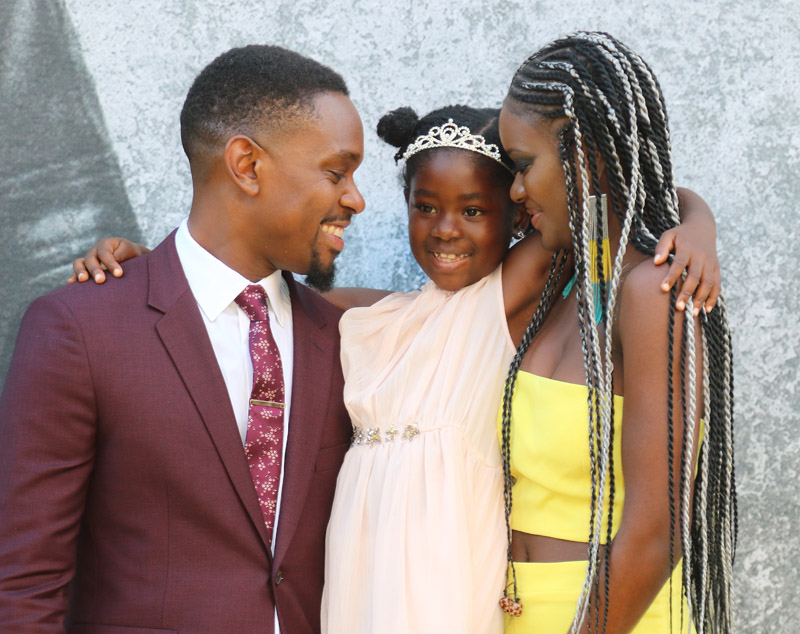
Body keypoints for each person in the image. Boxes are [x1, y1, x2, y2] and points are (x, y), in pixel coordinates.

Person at [72, 100, 720, 633]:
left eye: (474, 210)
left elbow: (614, 194)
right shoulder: (367, 318)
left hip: (449, 569)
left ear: (519, 214)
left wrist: (695, 223)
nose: (446, 229)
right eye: (425, 206)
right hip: (358, 567)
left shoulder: (507, 296)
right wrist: (149, 266)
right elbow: (244, 296)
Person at [0, 45, 365, 633]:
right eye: (335, 172)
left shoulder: (343, 338)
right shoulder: (81, 330)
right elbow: (24, 582)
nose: (355, 198)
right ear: (246, 165)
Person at [496, 32, 735, 633]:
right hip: (517, 612)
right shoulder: (561, 281)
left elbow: (657, 530)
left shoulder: (653, 295)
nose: (515, 191)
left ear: (587, 154)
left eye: (523, 166)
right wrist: (697, 215)